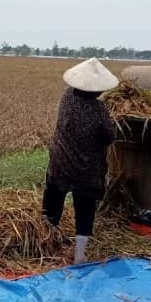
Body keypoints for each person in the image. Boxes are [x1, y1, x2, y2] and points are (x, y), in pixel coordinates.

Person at [42, 58, 119, 264]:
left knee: (52, 205)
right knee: (84, 211)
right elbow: (109, 137)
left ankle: (46, 247)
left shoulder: (67, 97)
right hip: (87, 169)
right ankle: (79, 256)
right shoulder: (99, 110)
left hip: (61, 163)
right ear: (98, 90)